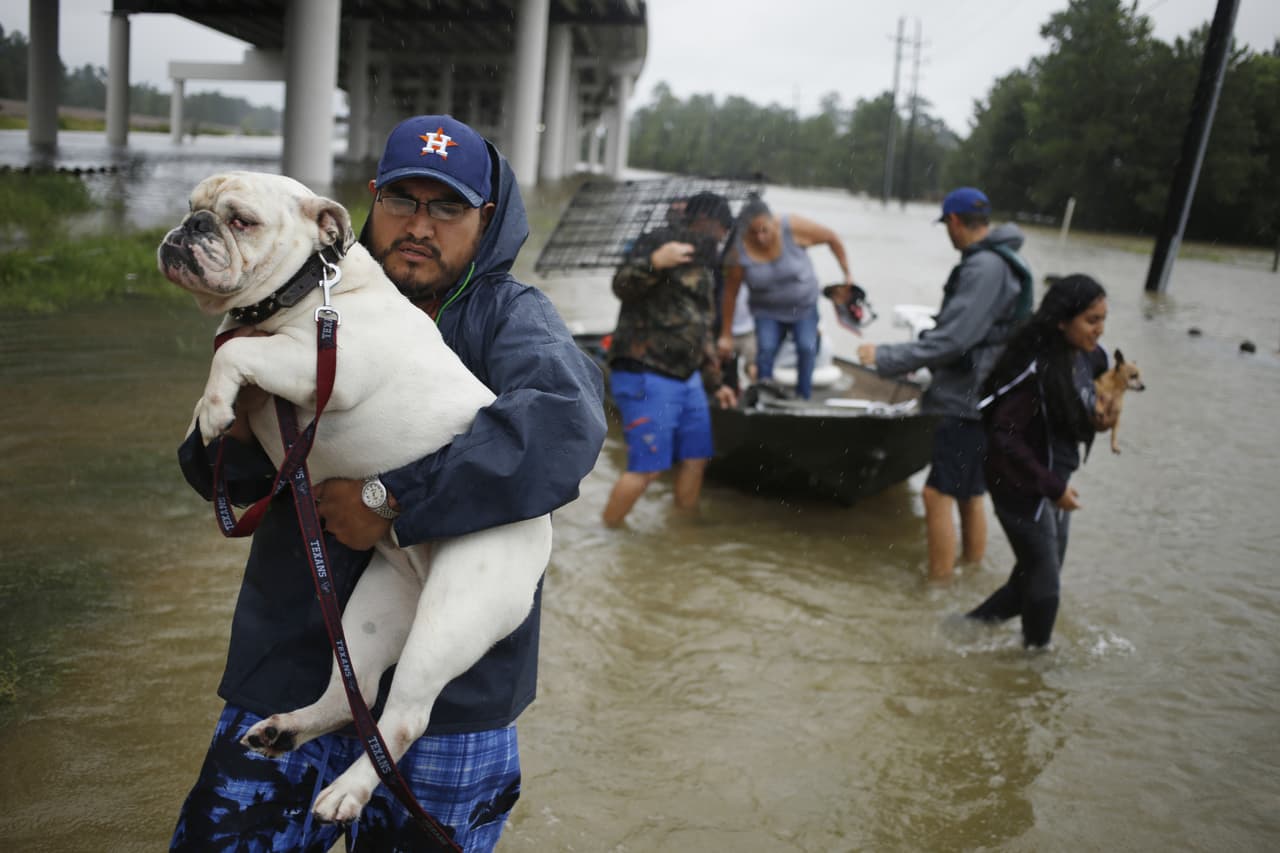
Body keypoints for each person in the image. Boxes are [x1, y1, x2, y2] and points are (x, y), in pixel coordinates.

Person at [169, 114, 608, 852]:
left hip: (455, 701)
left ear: (486, 218)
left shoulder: (513, 319)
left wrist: (392, 498)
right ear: (370, 200)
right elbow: (215, 469)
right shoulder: (283, 289)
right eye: (403, 200)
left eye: (447, 207)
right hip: (289, 659)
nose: (420, 225)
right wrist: (240, 432)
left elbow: (562, 434)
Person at [857, 187, 1032, 582]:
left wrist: (885, 357)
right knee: (970, 494)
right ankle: (970, 575)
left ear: (954, 221)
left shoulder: (983, 267)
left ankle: (937, 590)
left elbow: (954, 338)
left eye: (946, 226)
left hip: (965, 399)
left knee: (937, 494)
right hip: (989, 396)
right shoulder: (1006, 259)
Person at [965, 274, 1114, 647]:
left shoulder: (1090, 358)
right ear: (1062, 321)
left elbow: (1077, 411)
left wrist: (1100, 419)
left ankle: (963, 629)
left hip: (1053, 483)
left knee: (1031, 578)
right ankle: (1034, 670)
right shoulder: (1035, 370)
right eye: (1091, 321)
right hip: (1018, 484)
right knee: (1045, 582)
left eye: (1103, 320)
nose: (1099, 330)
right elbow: (1003, 436)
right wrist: (1052, 486)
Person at [601, 191, 737, 527]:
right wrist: (656, 262)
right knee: (648, 468)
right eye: (719, 229)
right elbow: (621, 286)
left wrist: (715, 383)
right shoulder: (657, 243)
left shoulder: (705, 264)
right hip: (646, 372)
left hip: (687, 376)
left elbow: (702, 328)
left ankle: (682, 527)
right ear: (703, 222)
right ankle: (607, 533)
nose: (721, 237)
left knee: (696, 457)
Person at [717, 198, 854, 400]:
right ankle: (764, 397)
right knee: (765, 350)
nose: (760, 237)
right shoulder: (740, 250)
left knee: (806, 348)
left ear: (773, 222)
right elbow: (730, 294)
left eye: (765, 230)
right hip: (766, 311)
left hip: (804, 307)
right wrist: (726, 333)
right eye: (754, 232)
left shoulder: (792, 226)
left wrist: (847, 274)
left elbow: (832, 238)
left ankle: (803, 397)